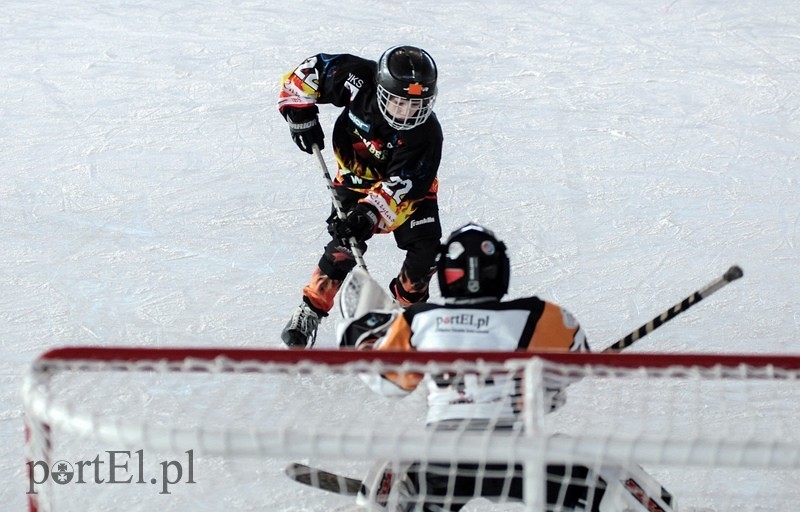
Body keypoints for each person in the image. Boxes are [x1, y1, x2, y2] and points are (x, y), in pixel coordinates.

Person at [337, 224, 674, 511]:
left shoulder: (418, 320)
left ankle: (396, 494)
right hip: (519, 458)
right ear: (500, 270)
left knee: (403, 461)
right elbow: (575, 368)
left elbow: (390, 384)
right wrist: (545, 392)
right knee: (604, 467)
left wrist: (355, 332)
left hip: (442, 458)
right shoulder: (540, 314)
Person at [277, 45, 444, 348]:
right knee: (344, 244)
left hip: (407, 193)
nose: (407, 113)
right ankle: (311, 308)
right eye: (399, 102)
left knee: (426, 250)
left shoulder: (427, 136)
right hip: (355, 179)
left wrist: (369, 214)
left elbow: (404, 187)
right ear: (381, 91)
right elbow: (310, 71)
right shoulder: (356, 77)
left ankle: (408, 317)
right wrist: (299, 113)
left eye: (416, 106)